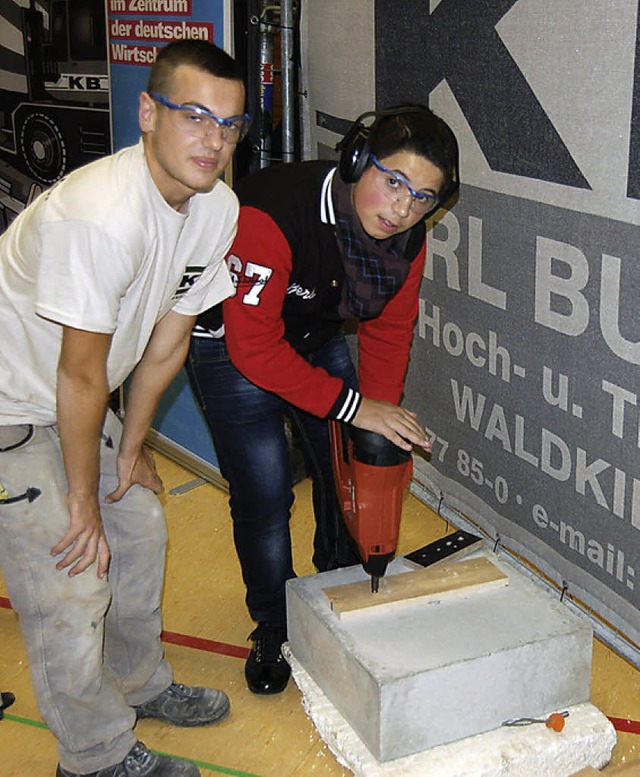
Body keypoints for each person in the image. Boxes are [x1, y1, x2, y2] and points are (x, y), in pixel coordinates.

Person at [0, 39, 249, 777]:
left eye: (230, 124)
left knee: (137, 524)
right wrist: (81, 499)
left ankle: (139, 683)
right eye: (195, 115)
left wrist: (132, 448)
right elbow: (80, 377)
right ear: (148, 112)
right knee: (73, 571)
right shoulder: (102, 215)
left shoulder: (217, 207)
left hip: (69, 394)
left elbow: (168, 343)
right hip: (11, 401)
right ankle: (93, 756)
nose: (213, 140)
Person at [186, 105, 459, 695]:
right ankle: (274, 624)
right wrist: (357, 406)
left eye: (423, 198)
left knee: (346, 473)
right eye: (393, 182)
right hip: (231, 347)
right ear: (359, 161)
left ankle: (336, 581)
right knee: (265, 495)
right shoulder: (273, 214)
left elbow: (389, 329)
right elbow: (255, 350)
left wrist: (374, 427)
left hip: (311, 335)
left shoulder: (406, 241)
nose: (403, 209)